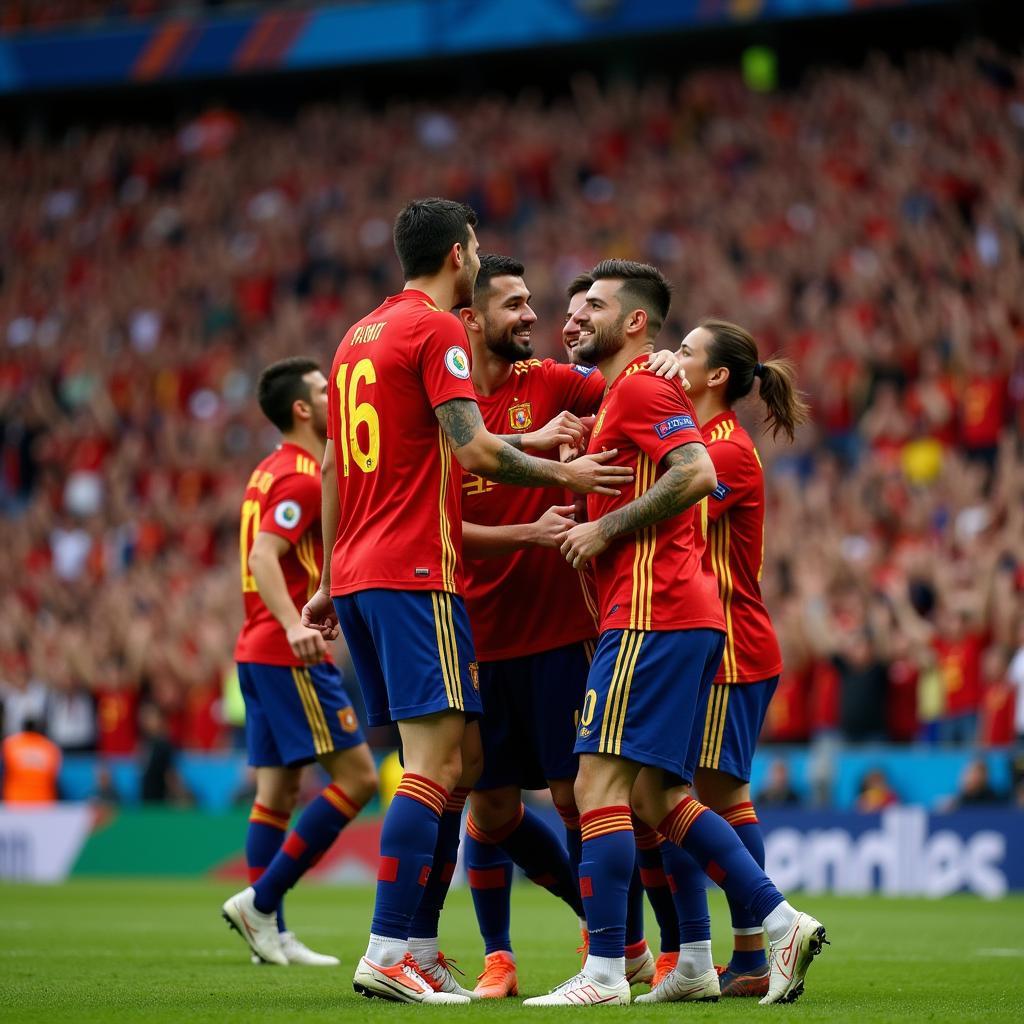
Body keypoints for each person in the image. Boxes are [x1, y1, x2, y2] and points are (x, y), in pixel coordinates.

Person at [300, 198, 633, 1005]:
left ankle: (416, 943)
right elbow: (471, 444)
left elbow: (340, 469)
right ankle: (387, 946)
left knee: (462, 771)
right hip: (418, 573)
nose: (483, 259)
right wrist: (566, 473)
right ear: (457, 254)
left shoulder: (356, 338)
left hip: (360, 573)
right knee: (438, 766)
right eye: (478, 248)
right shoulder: (438, 327)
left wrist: (327, 577)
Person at [527, 260, 826, 1007]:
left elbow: (690, 472)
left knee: (602, 782)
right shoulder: (639, 393)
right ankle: (756, 931)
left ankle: (608, 971)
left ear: (634, 323)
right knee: (663, 795)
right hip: (677, 617)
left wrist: (603, 529)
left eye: (593, 304)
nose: (576, 315)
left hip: (657, 611)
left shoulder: (664, 403)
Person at [456, 258, 680, 997]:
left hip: (560, 629)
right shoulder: (446, 410)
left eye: (530, 304)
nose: (533, 316)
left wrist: (675, 359)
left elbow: (632, 383)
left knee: (577, 794)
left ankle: (614, 944)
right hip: (478, 633)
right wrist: (531, 517)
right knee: (489, 808)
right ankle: (501, 957)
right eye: (514, 305)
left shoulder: (554, 381)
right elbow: (434, 525)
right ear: (471, 318)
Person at [655, 317, 811, 997]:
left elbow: (669, 518)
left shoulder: (724, 451)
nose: (671, 356)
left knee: (693, 797)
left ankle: (755, 946)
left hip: (729, 646)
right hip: (723, 641)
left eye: (685, 351)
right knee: (717, 798)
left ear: (717, 376)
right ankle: (748, 955)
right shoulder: (704, 440)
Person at [221, 357, 379, 968]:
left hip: (255, 651)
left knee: (278, 791)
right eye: (323, 389)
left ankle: (271, 933)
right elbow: (265, 557)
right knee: (361, 778)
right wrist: (294, 624)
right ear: (303, 410)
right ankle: (262, 903)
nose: (335, 393)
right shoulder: (305, 477)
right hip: (287, 650)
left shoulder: (267, 471)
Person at [1, 716, 61, 803]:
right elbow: (55, 778)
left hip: (15, 799)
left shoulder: (9, 745)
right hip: (44, 799)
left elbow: (3, 773)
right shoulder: (50, 747)